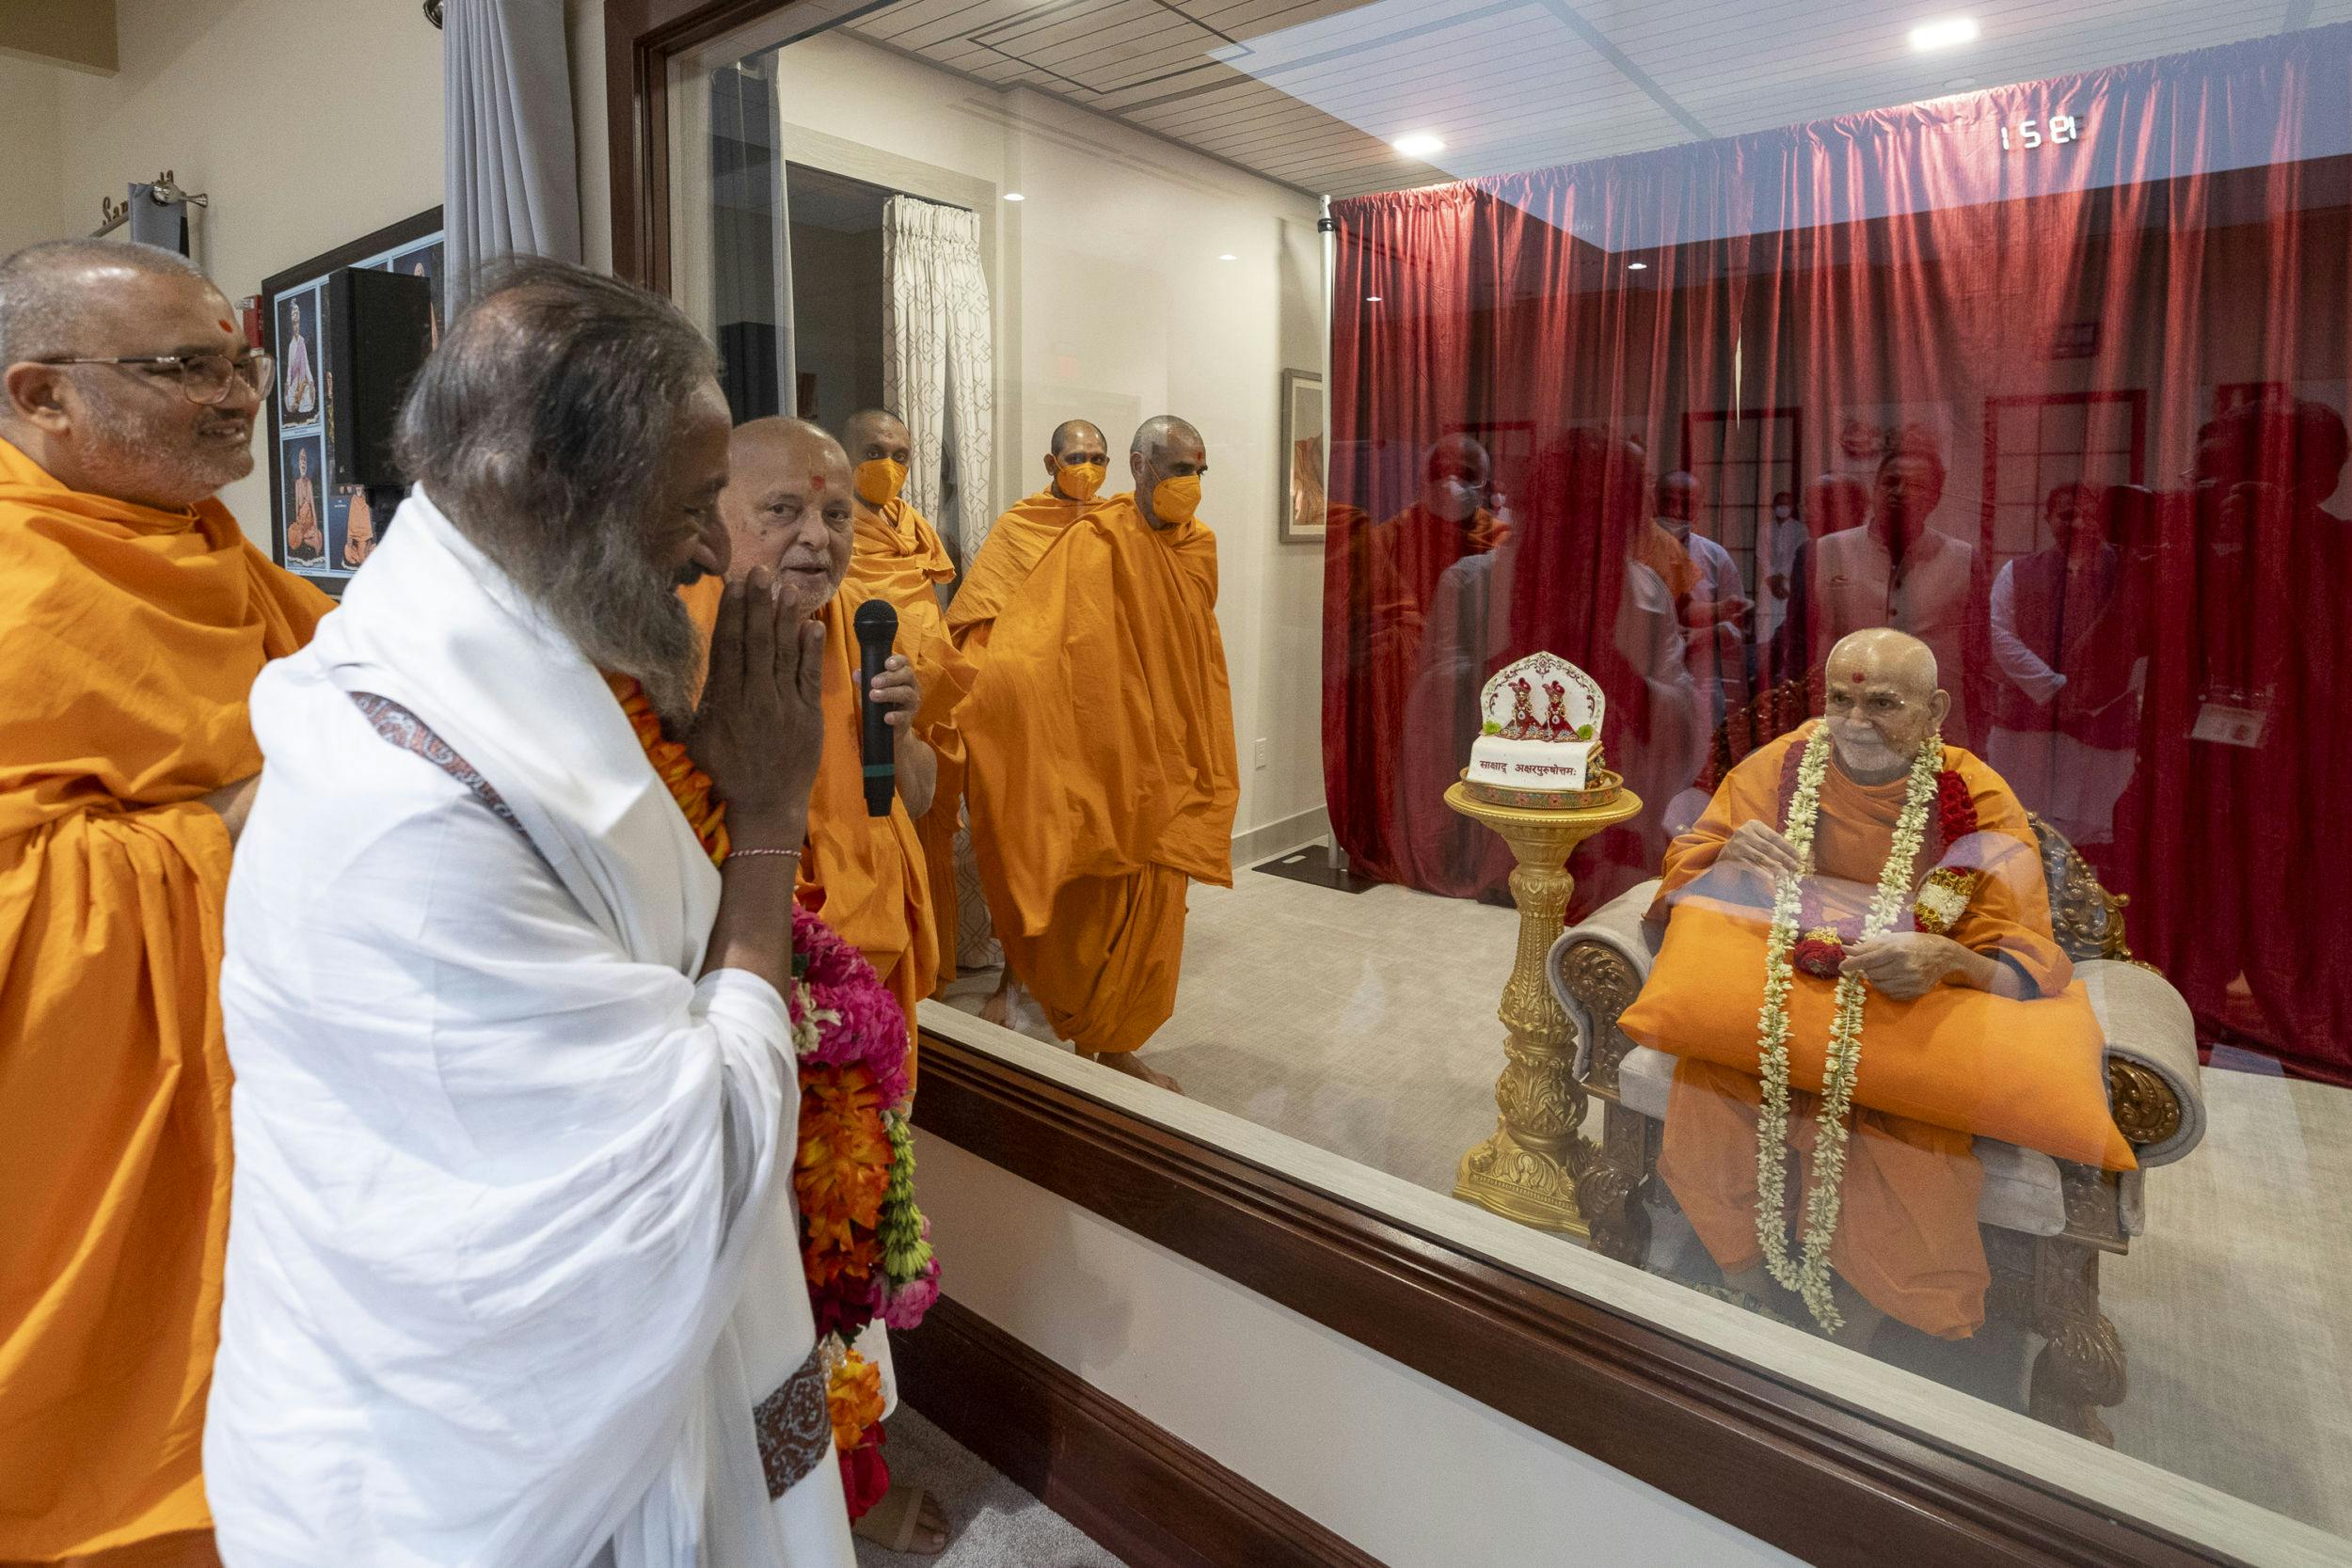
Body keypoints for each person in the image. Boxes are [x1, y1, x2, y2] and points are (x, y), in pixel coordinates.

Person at [204, 260, 855, 1568]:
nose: (714, 551)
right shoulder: (421, 802)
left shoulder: (475, 659)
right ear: (548, 494)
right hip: (465, 1469)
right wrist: (770, 818)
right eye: (691, 506)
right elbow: (692, 1162)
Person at [0, 238, 328, 1568]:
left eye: (240, 358)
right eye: (187, 367)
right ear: (41, 395)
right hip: (69, 1123)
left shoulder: (217, 554)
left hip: (269, 1063)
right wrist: (219, 829)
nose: (242, 390)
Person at [1648, 628, 2070, 1350]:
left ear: (1935, 708)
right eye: (1841, 698)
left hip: (1905, 1001)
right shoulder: (1781, 764)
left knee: (1907, 1131)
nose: (1855, 720)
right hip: (1781, 992)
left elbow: (2023, 953)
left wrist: (1945, 958)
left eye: (1883, 702)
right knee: (1709, 1088)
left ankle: (1859, 1335)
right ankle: (1754, 1291)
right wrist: (1726, 854)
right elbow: (1686, 876)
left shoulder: (1975, 793)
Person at [691, 415, 952, 1558]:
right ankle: (809, 1501)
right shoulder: (693, 639)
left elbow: (920, 803)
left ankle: (853, 1471)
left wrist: (908, 732)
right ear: (714, 520)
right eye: (781, 512)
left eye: (837, 513)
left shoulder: (865, 629)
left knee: (846, 1256)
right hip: (760, 1002)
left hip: (868, 995)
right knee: (783, 1282)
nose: (818, 538)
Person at [961, 416, 1239, 1093]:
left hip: (1175, 747)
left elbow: (1192, 649)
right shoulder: (1095, 540)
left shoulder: (1198, 546)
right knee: (1091, 902)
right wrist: (1002, 701)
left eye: (1199, 471)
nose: (1190, 485)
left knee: (1158, 906)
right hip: (1107, 752)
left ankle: (1115, 1043)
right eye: (1177, 470)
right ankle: (1091, 1028)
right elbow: (1036, 640)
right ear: (1141, 467)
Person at [842, 407, 974, 997]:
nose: (888, 467)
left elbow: (931, 626)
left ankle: (934, 977)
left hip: (926, 719)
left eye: (900, 456)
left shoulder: (915, 531)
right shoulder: (834, 540)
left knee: (929, 845)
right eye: (873, 453)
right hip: (858, 726)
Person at [1782, 438, 1985, 743]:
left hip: (1930, 723)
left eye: (1917, 485)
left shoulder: (1963, 559)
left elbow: (1978, 657)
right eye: (1891, 481)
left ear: (1935, 498)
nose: (1900, 492)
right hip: (1842, 720)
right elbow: (1797, 645)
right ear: (1875, 489)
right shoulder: (1822, 553)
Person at [1986, 483, 2144, 847]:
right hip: (2027, 722)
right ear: (2048, 519)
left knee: (2091, 835)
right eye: (2067, 514)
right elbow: (2000, 635)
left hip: (2103, 723)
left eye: (2089, 515)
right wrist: (2054, 686)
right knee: (2022, 826)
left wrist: (2096, 695)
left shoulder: (2129, 572)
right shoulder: (2018, 571)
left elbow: (2145, 644)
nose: (2079, 523)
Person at [946, 418, 1108, 657]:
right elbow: (983, 607)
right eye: (1075, 459)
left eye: (1097, 460)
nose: (1087, 468)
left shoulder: (1111, 521)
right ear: (1051, 464)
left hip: (1092, 645)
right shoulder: (1019, 523)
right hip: (1030, 646)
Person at [1645, 469, 1749, 723]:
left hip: (1701, 679)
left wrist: (1708, 633)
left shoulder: (1715, 556)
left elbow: (1738, 625)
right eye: (1669, 501)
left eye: (1687, 504)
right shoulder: (1635, 549)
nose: (1677, 510)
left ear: (1699, 507)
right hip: (1645, 675)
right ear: (1654, 500)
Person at [279, 296, 315, 418]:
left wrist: (310, 380)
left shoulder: (301, 341)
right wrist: (289, 382)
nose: (295, 316)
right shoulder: (292, 345)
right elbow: (290, 367)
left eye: (297, 313)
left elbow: (305, 362)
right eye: (293, 313)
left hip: (303, 377)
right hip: (295, 379)